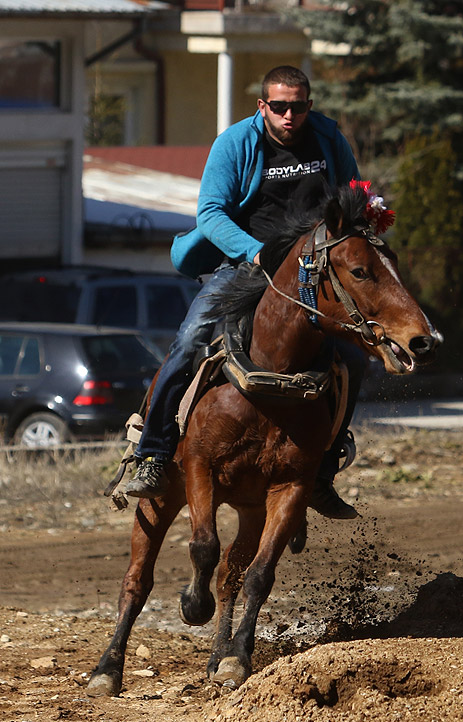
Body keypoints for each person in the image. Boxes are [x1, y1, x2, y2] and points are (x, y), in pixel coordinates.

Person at [122, 64, 365, 519]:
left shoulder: (330, 140)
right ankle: (152, 455)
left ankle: (322, 474)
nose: (288, 115)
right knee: (190, 340)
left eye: (297, 107)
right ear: (263, 107)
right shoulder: (234, 143)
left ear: (309, 106)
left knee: (353, 357)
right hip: (245, 265)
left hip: (314, 274)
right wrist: (258, 253)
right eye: (279, 107)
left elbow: (353, 200)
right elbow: (211, 214)